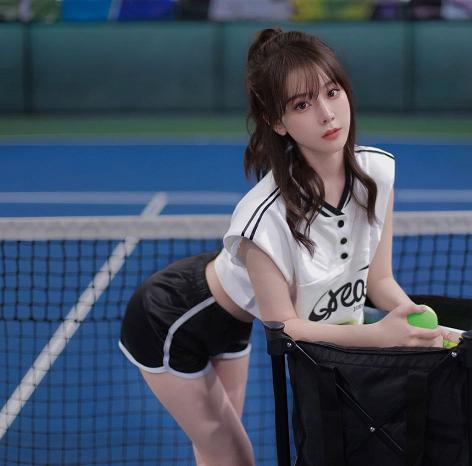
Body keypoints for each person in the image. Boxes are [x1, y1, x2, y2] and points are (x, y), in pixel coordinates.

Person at [118, 27, 447, 466]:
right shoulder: (262, 220)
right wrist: (379, 335)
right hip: (175, 319)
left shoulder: (378, 174)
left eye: (332, 92)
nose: (327, 114)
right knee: (233, 455)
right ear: (277, 122)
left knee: (217, 449)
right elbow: (286, 327)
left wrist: (416, 325)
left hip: (238, 317)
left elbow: (378, 279)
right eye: (302, 104)